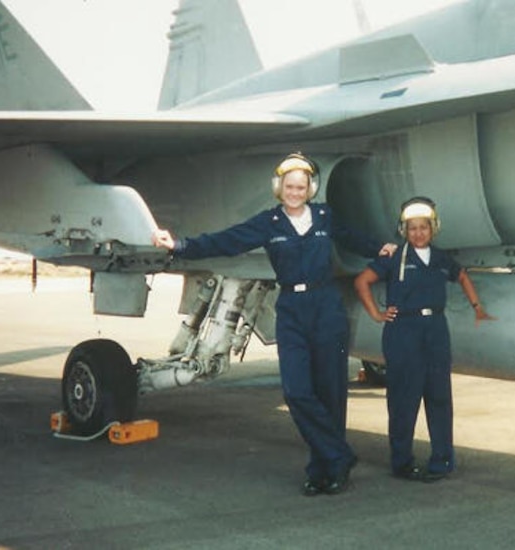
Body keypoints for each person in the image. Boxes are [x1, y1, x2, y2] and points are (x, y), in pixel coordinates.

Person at [152, 153, 397, 496]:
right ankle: (339, 455)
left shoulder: (325, 216)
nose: (295, 192)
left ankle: (325, 469)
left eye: (301, 187)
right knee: (297, 391)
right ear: (278, 188)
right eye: (289, 187)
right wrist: (179, 245)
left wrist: (380, 247)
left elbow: (352, 237)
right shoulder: (269, 222)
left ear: (310, 188)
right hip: (292, 309)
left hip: (326, 306)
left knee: (331, 393)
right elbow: (226, 240)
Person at [354, 197, 494, 482]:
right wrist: (377, 314)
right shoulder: (394, 258)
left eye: (424, 228)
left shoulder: (441, 258)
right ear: (403, 230)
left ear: (433, 229)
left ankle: (442, 460)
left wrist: (477, 307)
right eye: (412, 228)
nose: (418, 233)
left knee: (439, 395)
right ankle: (402, 462)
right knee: (404, 398)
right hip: (403, 330)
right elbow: (362, 281)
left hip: (435, 329)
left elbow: (463, 276)